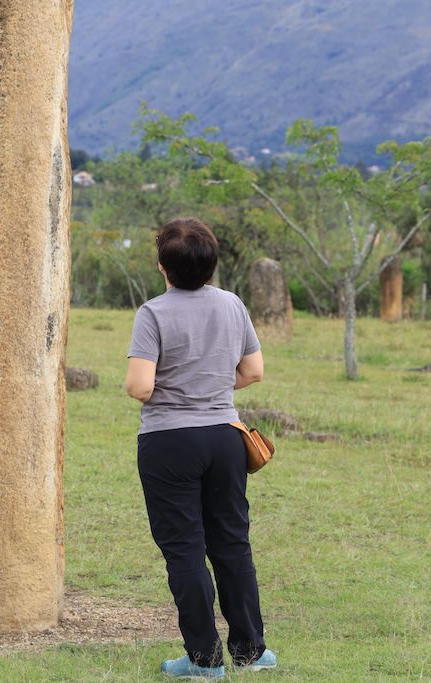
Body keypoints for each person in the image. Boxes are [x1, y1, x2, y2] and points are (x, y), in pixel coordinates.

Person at [125, 217, 277, 679]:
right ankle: (252, 651)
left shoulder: (152, 313)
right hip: (226, 438)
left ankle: (204, 660)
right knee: (232, 543)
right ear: (212, 264)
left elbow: (139, 386)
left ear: (162, 267)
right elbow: (253, 371)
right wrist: (209, 385)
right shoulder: (232, 305)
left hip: (169, 442)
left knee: (185, 550)